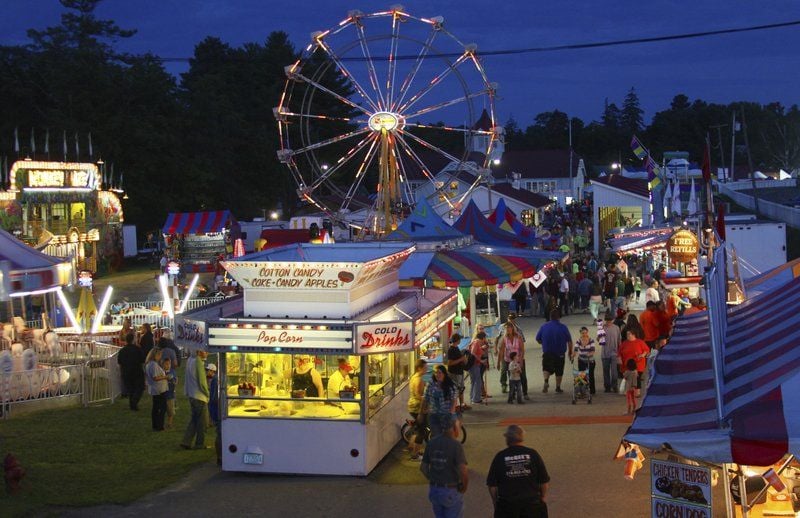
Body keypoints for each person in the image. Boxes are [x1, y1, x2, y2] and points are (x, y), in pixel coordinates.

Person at [486, 425, 550, 518]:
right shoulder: (533, 454)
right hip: (532, 505)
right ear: (522, 437)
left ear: (507, 439)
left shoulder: (500, 456)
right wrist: (542, 497)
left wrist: (496, 503)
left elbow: (492, 486)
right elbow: (544, 481)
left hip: (508, 506)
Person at [420, 420, 469, 518]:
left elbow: (423, 468)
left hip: (434, 490)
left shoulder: (432, 442)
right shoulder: (455, 445)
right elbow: (463, 471)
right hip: (450, 491)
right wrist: (464, 487)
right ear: (454, 427)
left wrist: (434, 479)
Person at [535, 309, 573, 394]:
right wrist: (570, 352)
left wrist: (543, 343)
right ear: (559, 317)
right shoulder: (563, 327)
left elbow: (537, 339)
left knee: (546, 368)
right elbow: (569, 341)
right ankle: (558, 387)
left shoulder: (544, 326)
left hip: (547, 352)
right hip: (560, 353)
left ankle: (546, 381)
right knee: (559, 370)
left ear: (550, 316)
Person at [181, 349, 210, 450]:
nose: (207, 353)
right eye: (205, 351)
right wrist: (207, 393)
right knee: (202, 423)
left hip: (192, 395)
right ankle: (199, 444)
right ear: (199, 352)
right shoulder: (198, 362)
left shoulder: (190, 360)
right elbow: (202, 382)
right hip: (199, 396)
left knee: (194, 420)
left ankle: (186, 441)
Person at [422, 364, 459, 438]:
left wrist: (451, 413)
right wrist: (422, 410)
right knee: (436, 435)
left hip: (446, 414)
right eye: (435, 372)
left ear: (444, 374)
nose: (437, 374)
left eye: (439, 372)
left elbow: (454, 399)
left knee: (448, 436)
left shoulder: (450, 385)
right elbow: (426, 397)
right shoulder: (431, 384)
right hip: (433, 415)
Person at [618, 329, 649, 398]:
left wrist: (642, 355)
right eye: (627, 334)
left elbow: (646, 350)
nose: (627, 336)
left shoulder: (640, 342)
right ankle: (627, 391)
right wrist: (619, 359)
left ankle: (637, 392)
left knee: (637, 378)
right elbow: (619, 352)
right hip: (627, 364)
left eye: (629, 334)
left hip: (638, 364)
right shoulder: (624, 343)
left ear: (633, 335)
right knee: (628, 378)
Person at [117, 332, 144, 411]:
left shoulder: (122, 350)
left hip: (126, 372)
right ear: (133, 340)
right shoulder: (137, 349)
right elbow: (142, 360)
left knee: (131, 389)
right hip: (137, 371)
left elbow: (119, 362)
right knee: (139, 388)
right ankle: (134, 402)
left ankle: (132, 405)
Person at [407, 359, 428, 461]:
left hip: (412, 405)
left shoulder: (414, 377)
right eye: (425, 367)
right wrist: (426, 398)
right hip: (417, 407)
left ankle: (412, 446)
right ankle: (415, 454)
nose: (426, 369)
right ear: (419, 368)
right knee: (422, 431)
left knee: (418, 428)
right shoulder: (419, 380)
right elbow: (418, 395)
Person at [144, 348, 169, 431]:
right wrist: (165, 377)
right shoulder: (153, 365)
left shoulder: (149, 364)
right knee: (161, 408)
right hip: (159, 389)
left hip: (155, 389)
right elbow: (155, 377)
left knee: (156, 407)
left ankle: (155, 425)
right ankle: (159, 426)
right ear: (156, 355)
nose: (160, 357)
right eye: (159, 355)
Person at [497, 323, 525, 397]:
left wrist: (521, 360)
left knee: (520, 376)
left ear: (512, 329)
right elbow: (502, 351)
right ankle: (511, 391)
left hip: (518, 359)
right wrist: (499, 362)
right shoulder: (504, 338)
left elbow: (522, 350)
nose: (508, 329)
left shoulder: (518, 337)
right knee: (510, 376)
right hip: (508, 360)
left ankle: (522, 392)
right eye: (506, 328)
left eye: (509, 328)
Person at [600, 311, 621, 393]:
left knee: (614, 371)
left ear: (613, 320)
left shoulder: (616, 328)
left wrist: (620, 352)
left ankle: (614, 386)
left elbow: (619, 340)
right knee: (606, 371)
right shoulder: (602, 328)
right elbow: (599, 340)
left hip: (614, 353)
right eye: (607, 320)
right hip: (605, 353)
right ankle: (607, 386)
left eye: (610, 320)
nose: (608, 322)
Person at [446, 334, 469, 410]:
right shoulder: (451, 350)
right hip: (454, 373)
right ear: (457, 340)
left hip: (459, 372)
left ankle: (461, 404)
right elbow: (449, 363)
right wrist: (461, 359)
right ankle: (454, 406)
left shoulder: (456, 348)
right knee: (456, 390)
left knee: (461, 388)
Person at [574, 326, 596, 395]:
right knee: (582, 375)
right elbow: (575, 349)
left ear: (587, 332)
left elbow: (593, 350)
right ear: (580, 333)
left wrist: (588, 354)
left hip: (590, 360)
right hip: (581, 360)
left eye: (585, 333)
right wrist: (573, 354)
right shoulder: (578, 341)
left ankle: (592, 390)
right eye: (582, 333)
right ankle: (582, 390)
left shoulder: (591, 340)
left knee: (590, 375)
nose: (584, 334)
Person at [468, 332, 487, 405]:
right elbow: (473, 353)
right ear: (483, 338)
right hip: (474, 365)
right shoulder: (476, 342)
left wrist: (482, 348)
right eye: (485, 338)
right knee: (477, 381)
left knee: (474, 381)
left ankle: (473, 397)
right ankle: (476, 399)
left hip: (474, 365)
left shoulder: (476, 342)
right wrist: (481, 360)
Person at [162, 356, 177, 429]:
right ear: (163, 364)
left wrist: (173, 380)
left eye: (169, 364)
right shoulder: (161, 372)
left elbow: (176, 381)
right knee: (162, 410)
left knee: (171, 411)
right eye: (166, 364)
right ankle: (162, 423)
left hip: (170, 394)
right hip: (163, 393)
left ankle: (169, 423)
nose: (168, 365)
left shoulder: (173, 372)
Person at [207, 363, 219, 427]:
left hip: (214, 401)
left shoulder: (215, 379)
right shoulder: (215, 378)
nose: (207, 372)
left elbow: (213, 392)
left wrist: (211, 400)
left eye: (208, 370)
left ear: (212, 371)